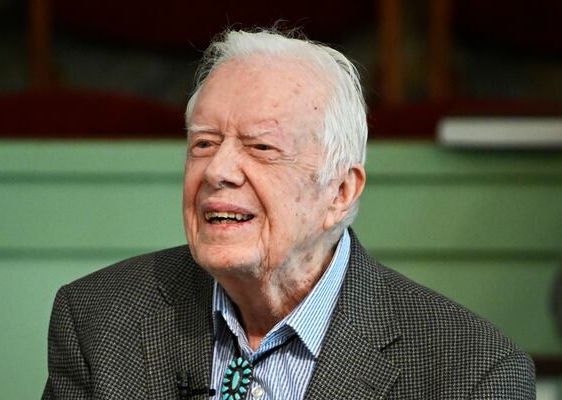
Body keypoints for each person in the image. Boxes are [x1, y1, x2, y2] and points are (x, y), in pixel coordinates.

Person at [43, 28, 535, 400]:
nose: (218, 170)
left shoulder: (472, 371)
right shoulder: (99, 320)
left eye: (260, 147)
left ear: (340, 191)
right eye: (204, 144)